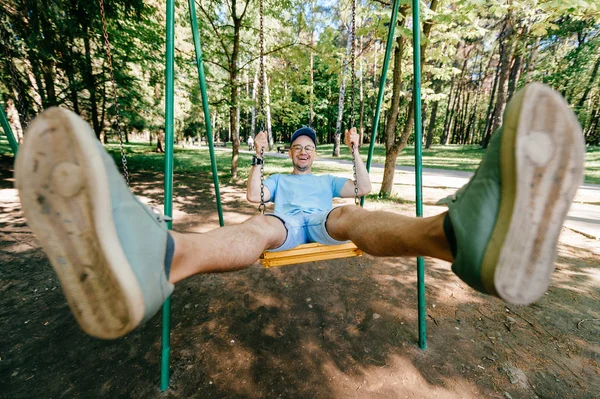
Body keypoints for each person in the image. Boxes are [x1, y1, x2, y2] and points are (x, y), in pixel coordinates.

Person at [14, 83, 585, 340]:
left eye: (309, 145)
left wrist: (358, 153)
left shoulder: (334, 174)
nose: (304, 149)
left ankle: (460, 235)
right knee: (260, 226)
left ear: (319, 149)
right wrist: (260, 162)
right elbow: (250, 202)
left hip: (330, 222)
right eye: (297, 146)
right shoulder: (282, 175)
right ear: (291, 152)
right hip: (286, 227)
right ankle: (161, 255)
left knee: (354, 219)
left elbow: (361, 191)